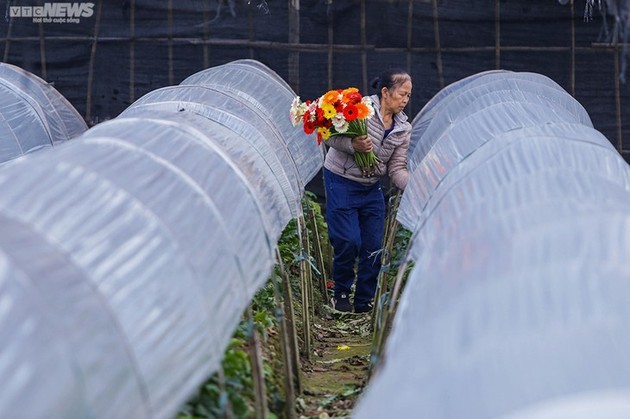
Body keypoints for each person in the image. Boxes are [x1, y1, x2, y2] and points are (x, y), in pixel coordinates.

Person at [323, 68, 412, 313]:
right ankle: (340, 293)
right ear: (385, 92)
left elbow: (396, 169)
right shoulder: (359, 109)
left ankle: (364, 301)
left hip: (370, 187)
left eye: (408, 96)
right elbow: (329, 136)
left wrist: (417, 185)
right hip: (340, 180)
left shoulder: (403, 129)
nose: (405, 100)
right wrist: (353, 144)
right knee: (348, 240)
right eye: (401, 94)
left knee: (373, 247)